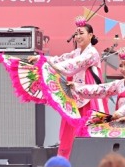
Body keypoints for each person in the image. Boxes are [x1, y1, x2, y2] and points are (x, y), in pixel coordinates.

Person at [28, 16, 109, 158]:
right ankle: (71, 160)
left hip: (89, 96)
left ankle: (90, 160)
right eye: (76, 33)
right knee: (71, 128)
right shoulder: (77, 52)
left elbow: (73, 65)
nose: (78, 36)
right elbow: (62, 58)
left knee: (89, 127)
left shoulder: (92, 53)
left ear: (90, 35)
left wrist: (50, 65)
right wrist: (42, 59)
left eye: (81, 33)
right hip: (74, 93)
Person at [73, 47, 125, 119]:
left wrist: (119, 113)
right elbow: (100, 89)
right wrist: (77, 88)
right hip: (122, 119)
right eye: (121, 66)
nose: (123, 69)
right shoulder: (119, 84)